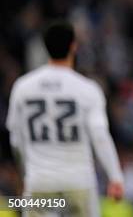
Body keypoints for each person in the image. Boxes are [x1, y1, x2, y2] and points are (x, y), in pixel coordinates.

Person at [6, 20, 124, 217]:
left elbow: (16, 140)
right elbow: (100, 136)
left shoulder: (23, 87)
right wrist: (115, 176)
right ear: (73, 46)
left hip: (39, 180)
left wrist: (26, 172)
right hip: (78, 181)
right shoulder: (87, 89)